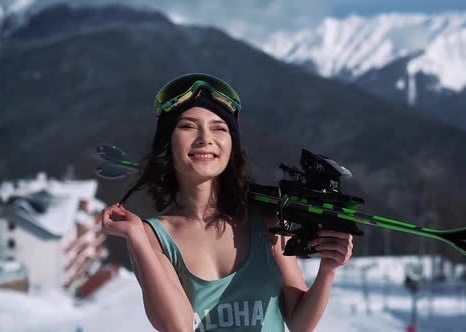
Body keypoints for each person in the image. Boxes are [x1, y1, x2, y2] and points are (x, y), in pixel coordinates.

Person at [101, 73, 354, 332]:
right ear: (168, 142)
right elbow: (177, 327)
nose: (205, 138)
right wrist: (135, 235)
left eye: (219, 128)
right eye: (188, 126)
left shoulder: (267, 220)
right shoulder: (154, 237)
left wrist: (328, 270)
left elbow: (300, 324)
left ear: (231, 144)